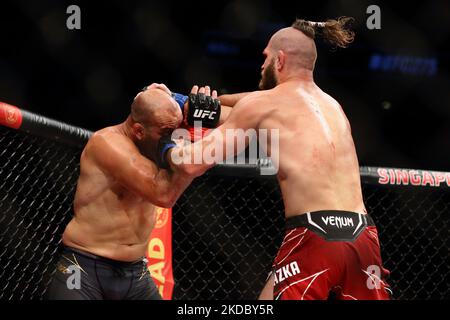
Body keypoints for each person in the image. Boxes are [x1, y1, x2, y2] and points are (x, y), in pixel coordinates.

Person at [161, 17, 392, 300]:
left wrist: (165, 145)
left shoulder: (264, 105)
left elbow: (192, 163)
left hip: (313, 235)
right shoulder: (334, 106)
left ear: (280, 60)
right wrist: (213, 102)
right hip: (363, 236)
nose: (261, 65)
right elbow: (256, 105)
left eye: (266, 57)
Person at [47, 84, 194, 300]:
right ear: (139, 131)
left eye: (175, 129)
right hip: (82, 269)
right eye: (166, 132)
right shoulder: (107, 143)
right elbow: (163, 194)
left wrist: (196, 116)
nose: (172, 138)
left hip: (136, 274)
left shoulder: (153, 145)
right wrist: (194, 147)